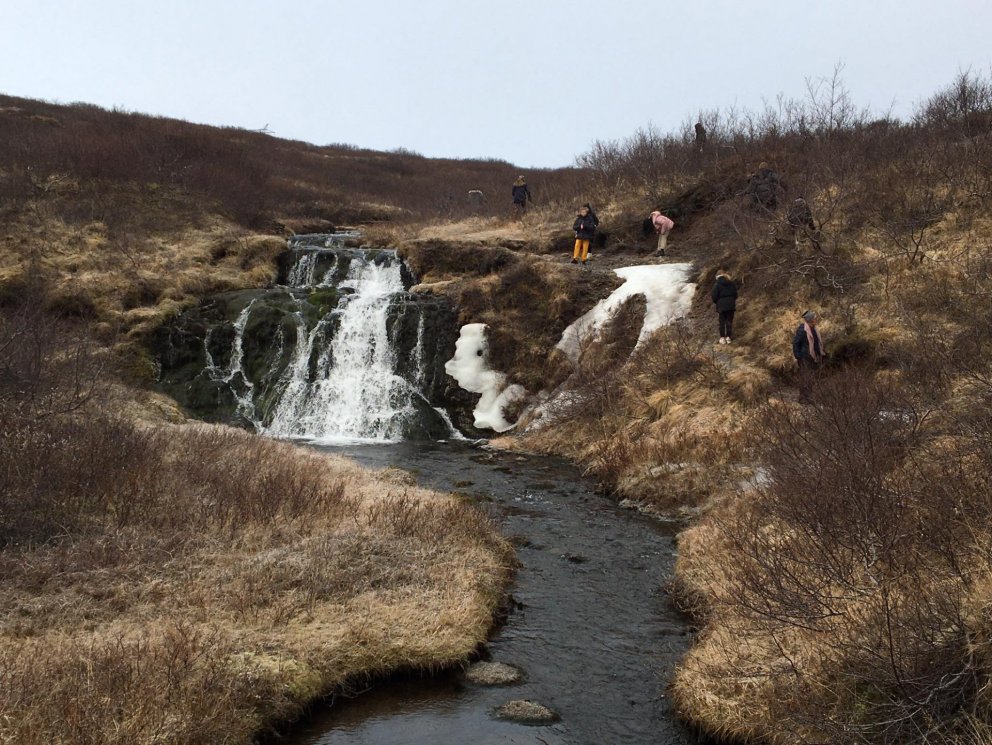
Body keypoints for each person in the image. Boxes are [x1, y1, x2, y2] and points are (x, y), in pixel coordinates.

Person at [792, 310, 826, 403]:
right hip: (804, 358)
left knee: (811, 377)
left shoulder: (814, 329)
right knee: (805, 377)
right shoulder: (802, 329)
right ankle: (803, 398)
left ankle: (809, 397)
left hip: (812, 357)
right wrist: (798, 356)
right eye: (815, 318)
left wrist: (820, 353)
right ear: (810, 320)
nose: (816, 320)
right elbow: (796, 343)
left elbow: (816, 343)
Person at [710, 270, 738, 344]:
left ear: (717, 276)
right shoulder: (731, 283)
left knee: (722, 322)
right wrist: (731, 301)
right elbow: (735, 294)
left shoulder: (717, 284)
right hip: (731, 305)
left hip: (721, 306)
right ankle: (728, 337)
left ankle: (722, 338)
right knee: (729, 321)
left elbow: (714, 296)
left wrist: (718, 302)